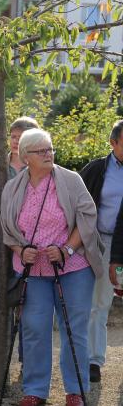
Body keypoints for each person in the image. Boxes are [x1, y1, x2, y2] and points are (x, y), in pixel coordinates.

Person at [1, 128, 103, 406]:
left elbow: (87, 216)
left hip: (73, 267)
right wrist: (21, 250)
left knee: (74, 327)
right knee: (34, 328)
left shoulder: (70, 180)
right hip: (32, 271)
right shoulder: (13, 187)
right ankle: (34, 391)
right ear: (26, 157)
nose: (49, 154)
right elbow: (7, 228)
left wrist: (66, 249)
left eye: (50, 149)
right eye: (41, 151)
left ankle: (75, 389)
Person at [0, 116, 39, 357]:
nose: (15, 141)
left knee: (30, 306)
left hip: (34, 248)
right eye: (12, 136)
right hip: (2, 247)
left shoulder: (41, 168)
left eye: (20, 137)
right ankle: (0, 361)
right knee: (2, 303)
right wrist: (10, 239)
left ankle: (27, 362)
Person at [79, 119, 123, 383]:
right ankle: (94, 360)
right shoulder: (96, 169)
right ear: (113, 143)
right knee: (100, 303)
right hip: (101, 246)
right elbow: (74, 203)